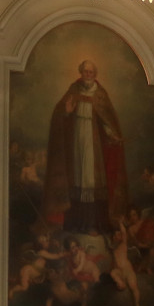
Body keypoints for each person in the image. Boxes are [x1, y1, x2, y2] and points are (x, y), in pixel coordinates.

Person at [42, 59, 128, 234]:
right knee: (77, 179)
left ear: (95, 74)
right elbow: (60, 114)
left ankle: (94, 224)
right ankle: (75, 224)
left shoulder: (100, 94)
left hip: (94, 143)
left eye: (91, 72)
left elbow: (107, 121)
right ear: (81, 73)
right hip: (76, 141)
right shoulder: (73, 90)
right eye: (85, 72)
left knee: (92, 181)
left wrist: (111, 134)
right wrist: (66, 112)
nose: (88, 75)